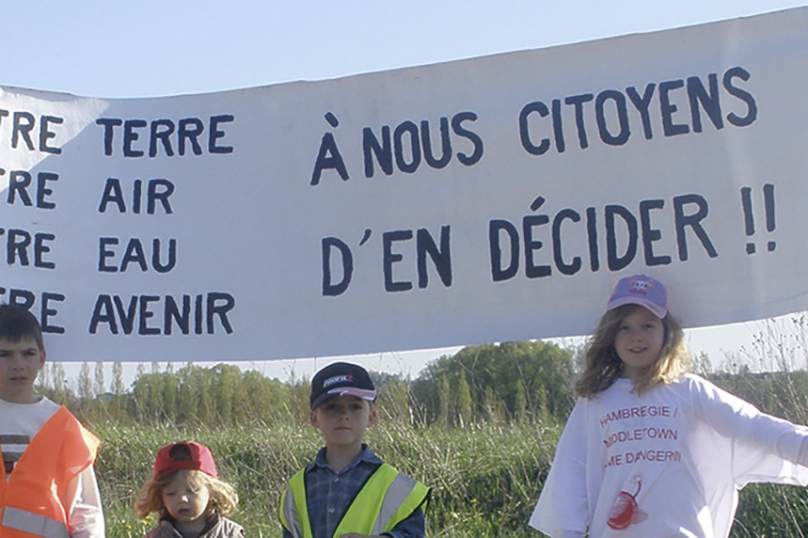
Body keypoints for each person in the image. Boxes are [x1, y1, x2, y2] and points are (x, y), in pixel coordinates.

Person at [529, 274, 808, 537]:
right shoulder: (596, 400)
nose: (635, 336)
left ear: (667, 333)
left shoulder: (690, 392)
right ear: (610, 336)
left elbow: (754, 427)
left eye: (648, 325)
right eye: (624, 327)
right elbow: (571, 472)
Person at [279, 361, 430, 538]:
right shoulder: (297, 487)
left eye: (355, 406)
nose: (344, 415)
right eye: (332, 407)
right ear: (314, 419)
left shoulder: (397, 488)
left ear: (371, 417)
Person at [0, 303, 104, 538]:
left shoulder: (62, 425)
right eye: (4, 354)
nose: (18, 364)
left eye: (28, 353)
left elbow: (85, 509)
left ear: (42, 358)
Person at [135, 441, 244, 538]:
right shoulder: (156, 536)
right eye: (171, 493)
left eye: (192, 490)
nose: (182, 499)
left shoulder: (230, 534)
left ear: (212, 492)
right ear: (161, 498)